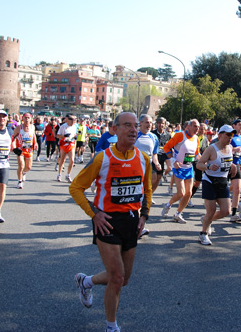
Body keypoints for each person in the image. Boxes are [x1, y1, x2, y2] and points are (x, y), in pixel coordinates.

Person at [70, 112, 152, 332]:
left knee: (123, 279)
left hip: (131, 221)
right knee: (116, 277)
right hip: (106, 221)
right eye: (127, 125)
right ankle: (111, 326)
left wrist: (144, 215)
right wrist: (94, 214)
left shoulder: (143, 159)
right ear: (114, 129)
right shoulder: (102, 158)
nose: (134, 130)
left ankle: (87, 282)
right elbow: (76, 187)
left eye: (135, 126)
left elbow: (147, 189)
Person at [196, 125, 237, 245]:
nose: (230, 138)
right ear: (219, 135)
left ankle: (206, 220)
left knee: (226, 211)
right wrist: (208, 166)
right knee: (211, 210)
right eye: (228, 135)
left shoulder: (230, 148)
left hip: (222, 182)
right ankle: (203, 233)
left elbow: (228, 161)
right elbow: (199, 164)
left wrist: (233, 166)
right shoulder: (211, 149)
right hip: (210, 181)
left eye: (232, 135)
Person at [161, 119, 201, 224]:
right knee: (181, 193)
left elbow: (196, 153)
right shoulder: (180, 136)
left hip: (189, 168)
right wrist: (173, 161)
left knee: (188, 193)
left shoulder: (196, 138)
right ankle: (168, 205)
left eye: (198, 126)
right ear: (188, 126)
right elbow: (166, 147)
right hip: (178, 168)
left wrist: (202, 159)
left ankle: (178, 213)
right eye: (195, 126)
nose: (197, 128)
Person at [134, 114, 160, 237]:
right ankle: (137, 225)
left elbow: (154, 154)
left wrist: (157, 163)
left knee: (144, 195)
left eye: (150, 122)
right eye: (146, 122)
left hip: (147, 169)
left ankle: (139, 225)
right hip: (134, 169)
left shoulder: (154, 137)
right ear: (140, 123)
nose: (149, 124)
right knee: (138, 195)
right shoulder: (135, 135)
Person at [12, 112, 37, 189]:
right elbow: (12, 138)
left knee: (28, 167)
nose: (27, 119)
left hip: (29, 149)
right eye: (25, 118)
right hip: (20, 150)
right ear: (22, 119)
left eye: (28, 118)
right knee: (21, 165)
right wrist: (14, 148)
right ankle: (19, 182)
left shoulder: (32, 127)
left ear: (31, 119)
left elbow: (33, 135)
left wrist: (35, 143)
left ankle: (24, 173)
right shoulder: (19, 128)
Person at [151, 117, 171, 192]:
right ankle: (147, 194)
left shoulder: (168, 135)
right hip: (154, 157)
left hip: (163, 157)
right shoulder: (152, 134)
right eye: (159, 123)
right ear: (156, 124)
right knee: (153, 177)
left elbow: (170, 146)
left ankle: (151, 194)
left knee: (158, 178)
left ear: (165, 125)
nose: (160, 125)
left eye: (162, 123)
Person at [56, 114, 78, 183]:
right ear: (68, 120)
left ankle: (68, 175)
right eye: (72, 121)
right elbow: (57, 135)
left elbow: (74, 134)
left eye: (74, 121)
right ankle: (59, 174)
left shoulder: (74, 127)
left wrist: (75, 137)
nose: (73, 123)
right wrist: (64, 136)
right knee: (62, 160)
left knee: (72, 160)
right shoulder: (63, 126)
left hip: (71, 144)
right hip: (64, 144)